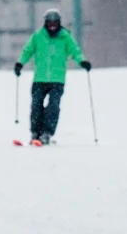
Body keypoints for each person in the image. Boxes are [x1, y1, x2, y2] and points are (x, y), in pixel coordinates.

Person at [14, 8, 91, 146]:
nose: (52, 26)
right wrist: (20, 63)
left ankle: (47, 132)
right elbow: (27, 50)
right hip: (40, 79)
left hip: (57, 79)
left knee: (53, 106)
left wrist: (82, 61)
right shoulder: (38, 36)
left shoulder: (65, 37)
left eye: (55, 23)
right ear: (45, 23)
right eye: (50, 23)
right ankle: (35, 132)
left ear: (59, 23)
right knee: (36, 106)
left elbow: (75, 51)